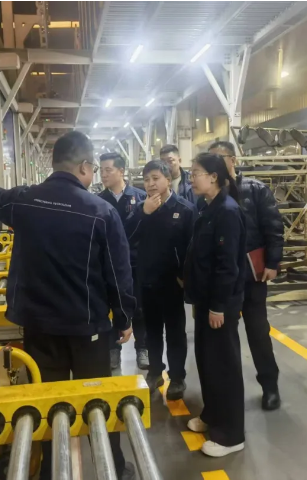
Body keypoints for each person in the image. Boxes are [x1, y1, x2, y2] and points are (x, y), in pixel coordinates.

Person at [0, 131, 136, 480]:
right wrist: (124, 318)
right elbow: (119, 275)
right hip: (87, 328)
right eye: (93, 169)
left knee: (46, 401)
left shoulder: (23, 201)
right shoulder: (101, 211)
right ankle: (113, 468)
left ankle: (50, 471)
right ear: (84, 167)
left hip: (39, 326)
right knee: (96, 401)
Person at [209, 141, 283, 410]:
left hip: (252, 275)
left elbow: (273, 227)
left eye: (221, 158)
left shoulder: (256, 190)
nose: (217, 164)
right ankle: (229, 393)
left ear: (233, 160)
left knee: (258, 332)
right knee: (225, 337)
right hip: (224, 278)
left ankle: (270, 386)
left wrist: (272, 262)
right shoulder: (210, 194)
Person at [183, 153, 246, 458]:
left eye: (196, 173)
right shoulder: (208, 207)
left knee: (224, 367)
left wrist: (219, 306)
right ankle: (212, 415)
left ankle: (231, 435)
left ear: (214, 177)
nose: (191, 178)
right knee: (208, 362)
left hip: (220, 304)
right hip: (206, 300)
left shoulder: (228, 212)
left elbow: (227, 266)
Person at [124, 160, 197, 401]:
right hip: (147, 281)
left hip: (173, 284)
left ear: (167, 179)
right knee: (151, 331)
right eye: (146, 180)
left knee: (175, 332)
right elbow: (126, 236)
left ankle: (177, 377)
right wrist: (144, 213)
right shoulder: (141, 209)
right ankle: (155, 372)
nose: (151, 184)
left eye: (155, 178)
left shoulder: (184, 209)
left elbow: (192, 249)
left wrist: (185, 277)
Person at [97, 152, 149, 371]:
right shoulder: (98, 201)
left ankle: (142, 348)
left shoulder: (141, 198)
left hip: (135, 264)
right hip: (107, 265)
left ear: (121, 171)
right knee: (110, 307)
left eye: (108, 170)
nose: (103, 174)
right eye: (101, 170)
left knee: (139, 307)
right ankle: (113, 350)